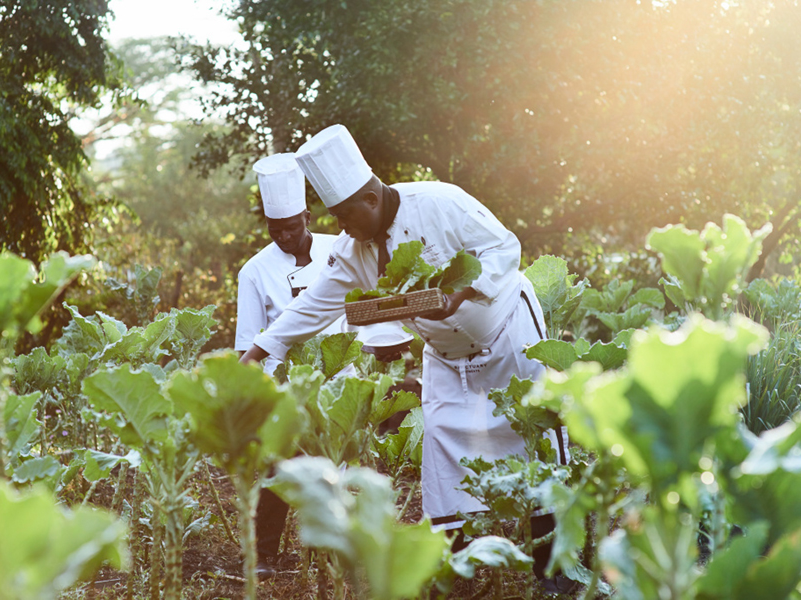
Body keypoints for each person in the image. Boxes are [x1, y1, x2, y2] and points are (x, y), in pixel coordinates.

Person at [240, 124, 570, 585]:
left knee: (535, 436)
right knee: (442, 447)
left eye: (345, 215)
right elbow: (311, 305)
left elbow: (503, 247)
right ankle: (452, 572)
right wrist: (256, 353)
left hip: (509, 336)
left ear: (371, 199)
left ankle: (555, 569)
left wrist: (461, 293)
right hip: (446, 356)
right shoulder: (352, 250)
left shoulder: (440, 201)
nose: (341, 227)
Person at [234, 152, 339, 576]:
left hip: (338, 378)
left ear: (307, 217)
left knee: (335, 465)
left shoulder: (338, 250)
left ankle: (332, 550)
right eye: (275, 229)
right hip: (283, 385)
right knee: (278, 468)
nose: (284, 236)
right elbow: (248, 344)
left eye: (292, 227)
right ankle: (264, 554)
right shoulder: (254, 271)